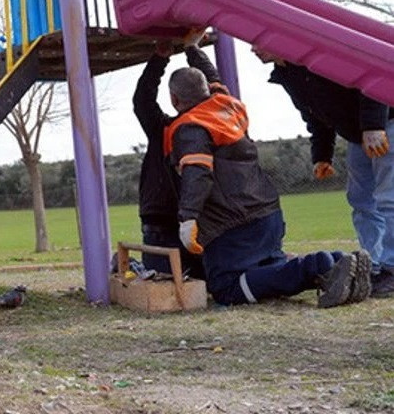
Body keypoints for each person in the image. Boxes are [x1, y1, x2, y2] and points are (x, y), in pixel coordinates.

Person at [163, 54, 371, 307]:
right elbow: (213, 77)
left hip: (233, 223)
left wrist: (188, 218)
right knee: (272, 268)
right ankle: (340, 261)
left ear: (174, 100)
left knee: (226, 288)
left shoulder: (190, 127)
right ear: (207, 89)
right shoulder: (227, 105)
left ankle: (321, 265)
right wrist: (193, 48)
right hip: (266, 213)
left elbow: (197, 172)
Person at [254, 50, 394, 297]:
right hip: (357, 135)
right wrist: (322, 156)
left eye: (256, 41)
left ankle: (391, 269)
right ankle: (374, 265)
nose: (254, 49)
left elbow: (372, 77)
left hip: (385, 126)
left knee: (388, 199)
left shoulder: (319, 58)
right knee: (362, 201)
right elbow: (316, 117)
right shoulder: (288, 74)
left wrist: (374, 124)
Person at [132, 41, 205, 279]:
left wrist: (160, 58)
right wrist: (192, 49)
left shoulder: (164, 129)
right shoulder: (216, 127)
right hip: (201, 220)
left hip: (160, 220)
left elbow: (143, 101)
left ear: (174, 99)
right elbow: (217, 87)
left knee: (164, 285)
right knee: (204, 283)